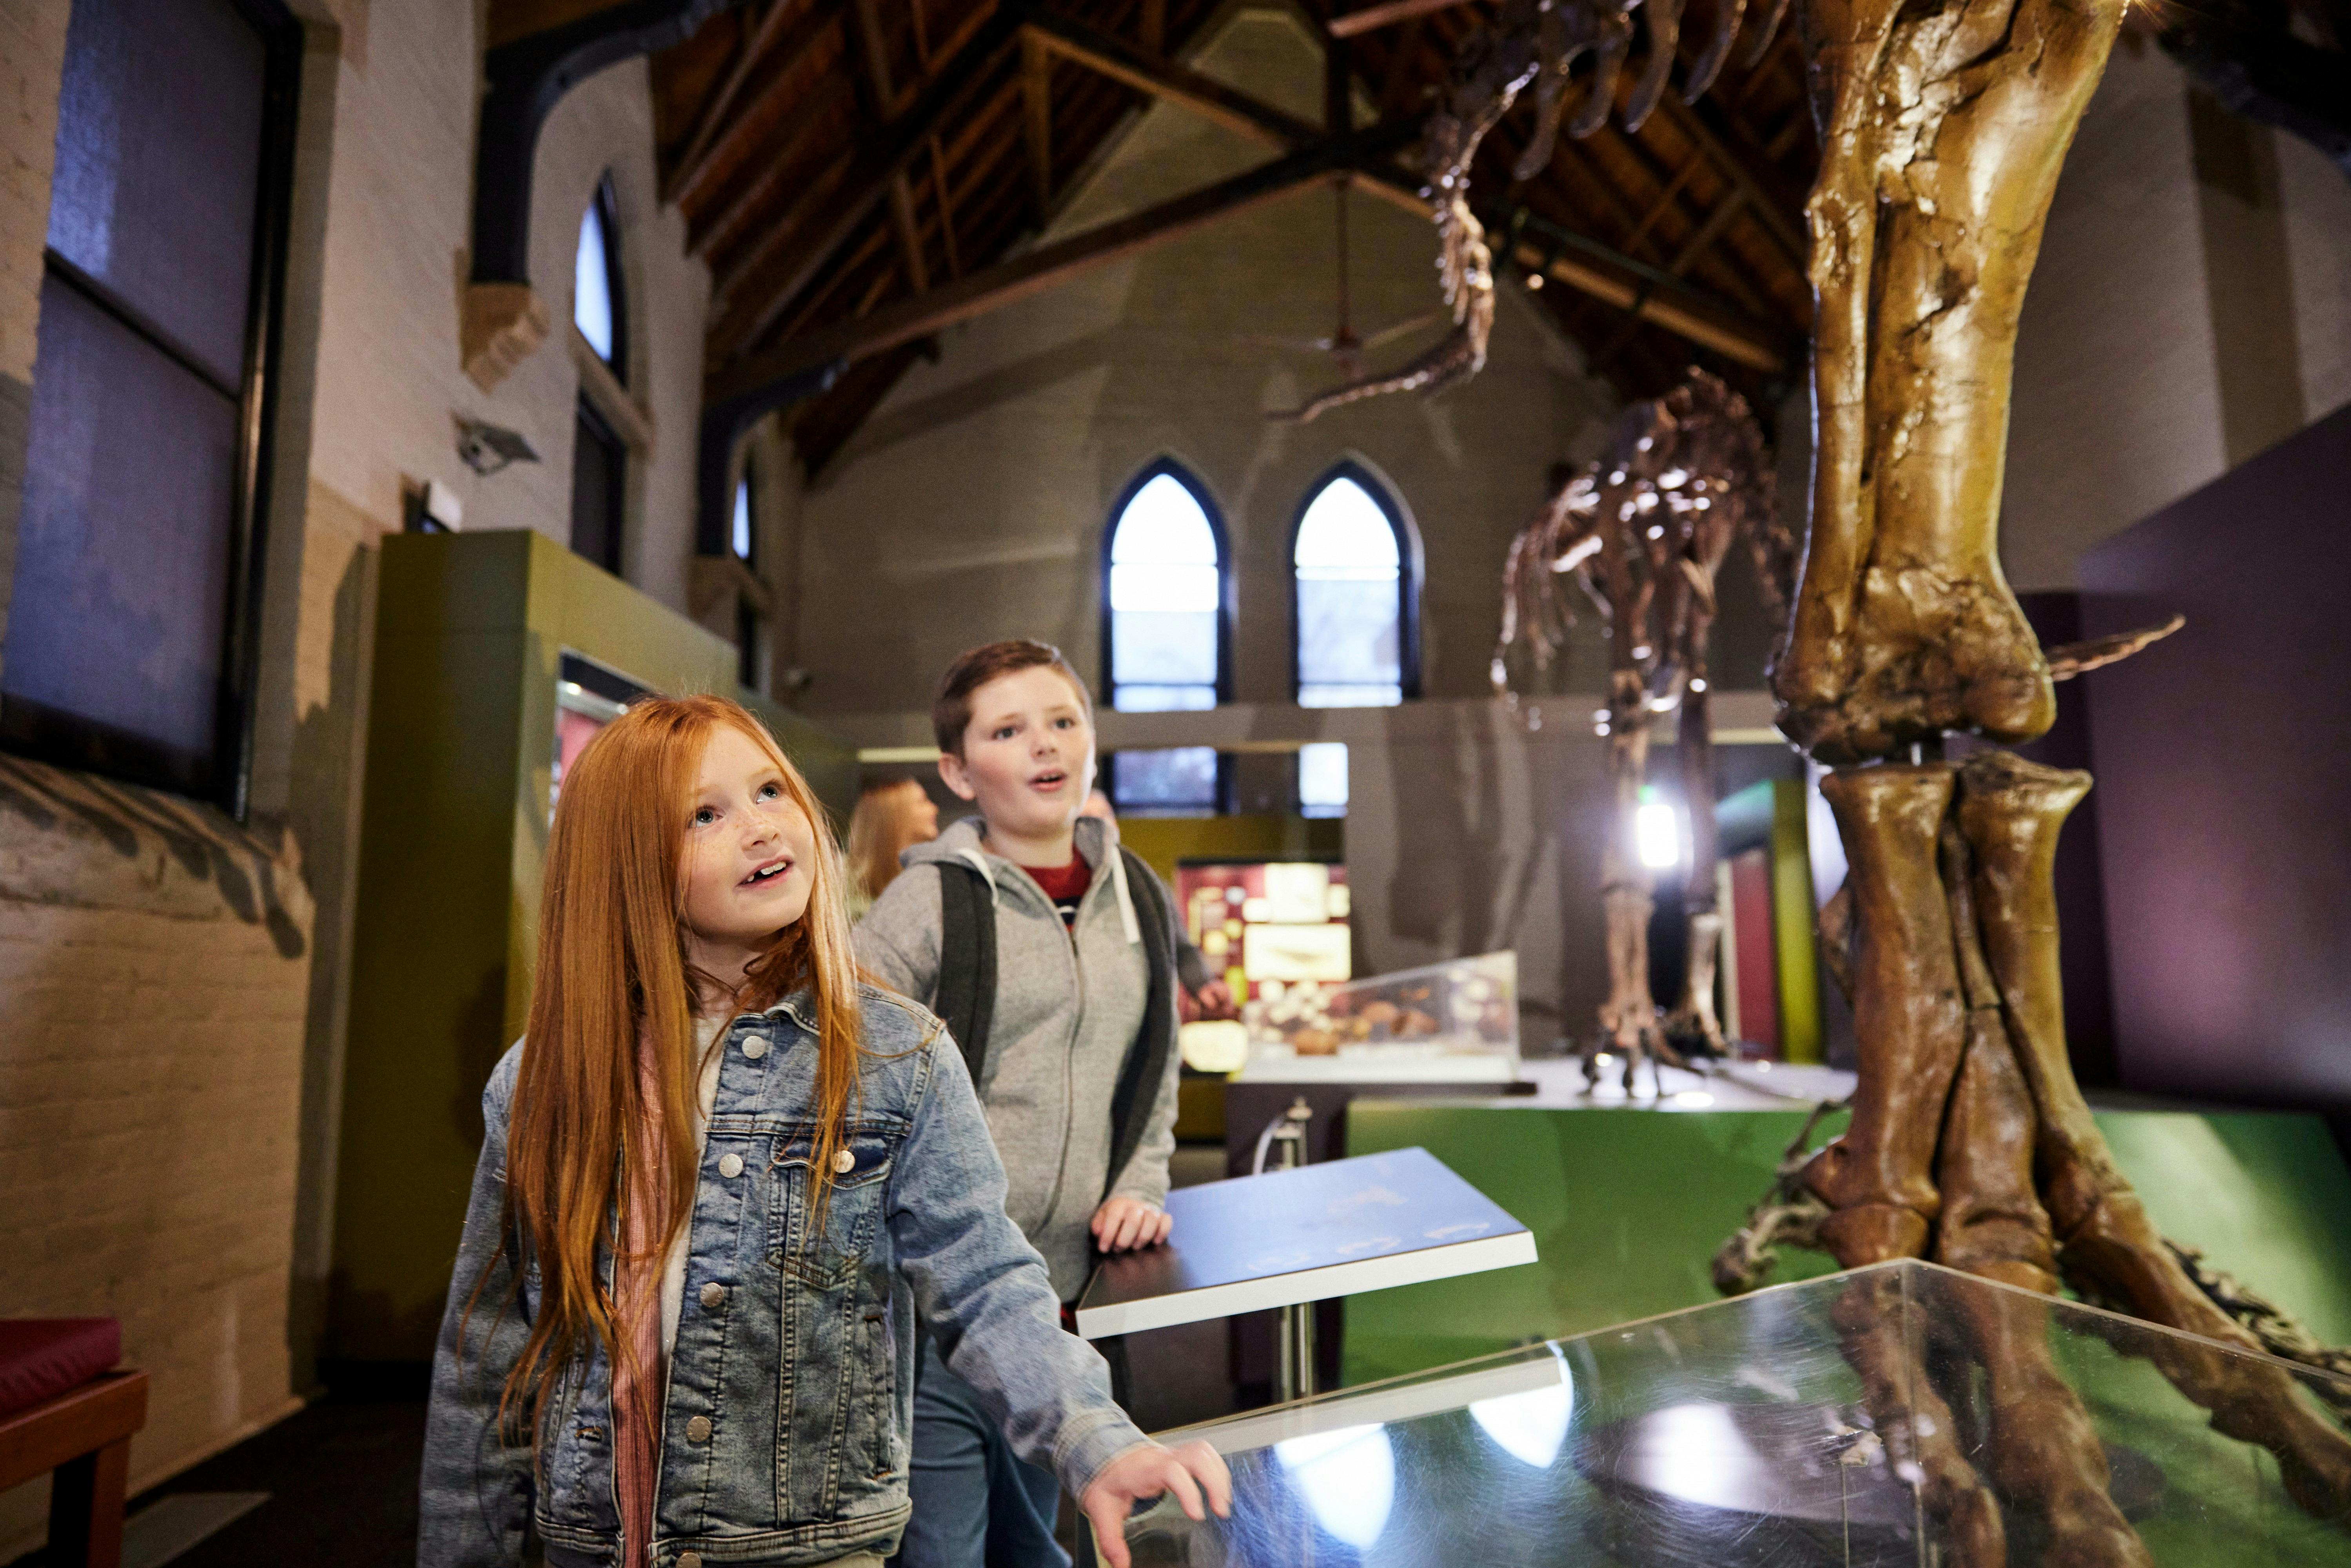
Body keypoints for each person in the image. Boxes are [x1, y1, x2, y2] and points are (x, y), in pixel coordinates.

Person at [419, 694, 1227, 1568]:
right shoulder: (542, 1078)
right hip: (596, 1540)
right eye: (704, 814)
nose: (762, 827)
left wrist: (1095, 1439)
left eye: (771, 790)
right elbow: (489, 1358)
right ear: (624, 862)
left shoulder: (896, 1056)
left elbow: (985, 1278)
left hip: (811, 1542)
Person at [856, 642, 1186, 1568]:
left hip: (1061, 1309)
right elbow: (845, 1067)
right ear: (959, 771)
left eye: (1062, 721)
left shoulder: (1139, 895)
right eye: (1007, 730)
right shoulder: (924, 903)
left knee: (1034, 1544)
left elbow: (1156, 1058)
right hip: (934, 1309)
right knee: (944, 1552)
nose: (1044, 744)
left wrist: (1142, 1179)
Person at [1079, 790, 1238, 1022]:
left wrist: (1204, 984)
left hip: (1145, 1021)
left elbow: (1180, 947)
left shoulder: (1146, 885)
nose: (1100, 825)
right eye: (1087, 819)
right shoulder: (1062, 890)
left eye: (1105, 815)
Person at [845, 775, 940, 921]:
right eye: (923, 802)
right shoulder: (854, 905)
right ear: (896, 814)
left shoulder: (926, 873)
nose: (934, 809)